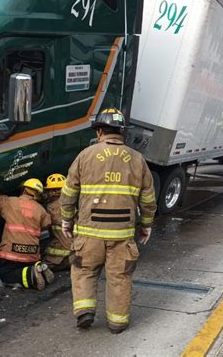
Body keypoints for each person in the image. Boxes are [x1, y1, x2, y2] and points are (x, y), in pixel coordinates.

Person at [60, 107, 157, 334]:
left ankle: (85, 311)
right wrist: (146, 225)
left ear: (100, 131)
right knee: (120, 277)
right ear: (122, 132)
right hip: (122, 235)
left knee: (83, 270)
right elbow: (148, 198)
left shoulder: (85, 155)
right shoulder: (137, 159)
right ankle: (117, 322)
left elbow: (69, 192)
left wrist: (66, 220)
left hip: (89, 232)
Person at [0, 178, 54, 290]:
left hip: (12, 253)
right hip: (32, 254)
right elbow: (47, 224)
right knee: (24, 265)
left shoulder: (10, 202)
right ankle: (37, 266)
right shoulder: (40, 209)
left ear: (24, 189)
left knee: (5, 273)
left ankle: (31, 275)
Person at [43, 173, 73, 271]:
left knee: (42, 262)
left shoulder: (51, 207)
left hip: (63, 257)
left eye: (49, 190)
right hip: (79, 253)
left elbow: (44, 225)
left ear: (55, 191)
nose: (47, 193)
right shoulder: (73, 202)